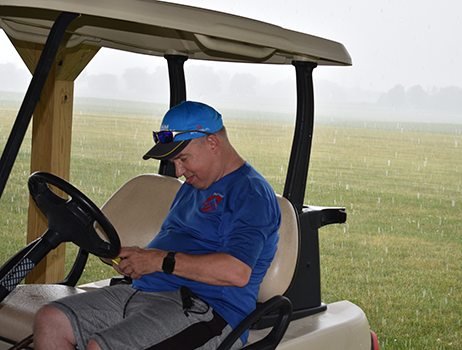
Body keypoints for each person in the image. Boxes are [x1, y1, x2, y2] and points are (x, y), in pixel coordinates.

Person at [33, 101, 281, 350]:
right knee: (51, 320)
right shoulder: (193, 186)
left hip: (206, 309)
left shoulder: (250, 193)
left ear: (213, 143)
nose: (178, 170)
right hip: (144, 292)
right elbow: (175, 244)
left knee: (103, 346)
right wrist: (135, 260)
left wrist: (157, 260)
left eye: (183, 158)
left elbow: (236, 272)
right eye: (174, 161)